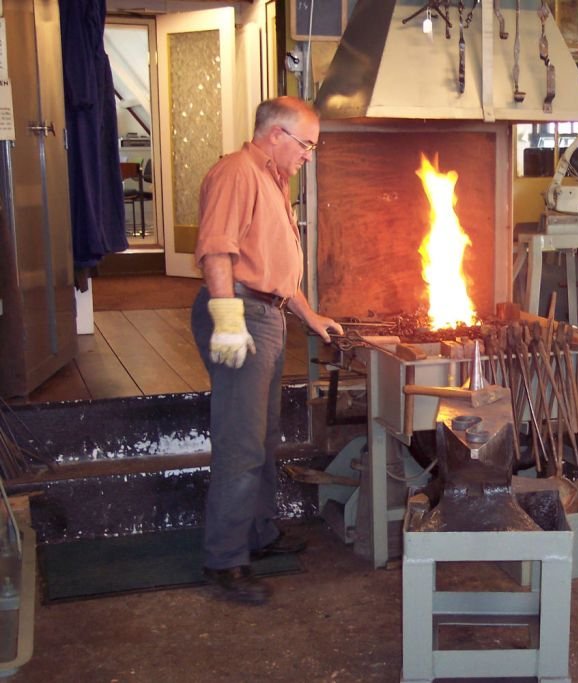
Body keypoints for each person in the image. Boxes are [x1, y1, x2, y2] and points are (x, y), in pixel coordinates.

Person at [191, 96, 343, 605]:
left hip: (269, 314)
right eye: (306, 145)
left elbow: (275, 268)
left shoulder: (273, 180)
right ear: (276, 135)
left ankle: (258, 535)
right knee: (241, 441)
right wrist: (227, 318)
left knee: (264, 438)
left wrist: (308, 315)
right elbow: (218, 249)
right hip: (243, 314)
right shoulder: (237, 173)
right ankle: (225, 560)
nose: (308, 156)